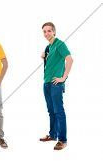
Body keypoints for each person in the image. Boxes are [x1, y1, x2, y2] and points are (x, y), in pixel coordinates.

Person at [39, 22, 73, 151]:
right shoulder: (49, 47)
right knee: (51, 110)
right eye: (44, 31)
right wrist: (44, 56)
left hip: (56, 84)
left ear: (54, 32)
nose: (46, 33)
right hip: (47, 83)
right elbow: (52, 63)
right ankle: (53, 135)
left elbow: (69, 59)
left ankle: (62, 140)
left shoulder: (59, 44)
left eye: (49, 31)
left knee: (58, 111)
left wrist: (63, 78)